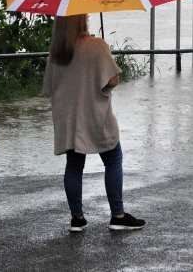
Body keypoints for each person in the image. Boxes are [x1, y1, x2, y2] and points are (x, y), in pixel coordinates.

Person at [42, 14, 145, 233]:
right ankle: (118, 215)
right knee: (113, 159)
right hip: (95, 114)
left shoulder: (57, 53)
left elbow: (50, 86)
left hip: (69, 118)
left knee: (74, 164)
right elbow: (113, 80)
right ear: (81, 20)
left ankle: (77, 219)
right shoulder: (97, 46)